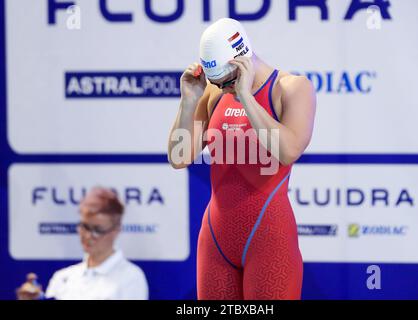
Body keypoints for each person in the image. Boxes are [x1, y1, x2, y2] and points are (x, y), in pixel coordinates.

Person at [168, 17, 316, 300]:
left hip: (269, 239)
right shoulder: (213, 92)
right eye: (218, 82)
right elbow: (178, 157)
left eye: (229, 81)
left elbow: (289, 151)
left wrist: (246, 97)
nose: (225, 89)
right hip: (216, 239)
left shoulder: (292, 88)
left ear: (243, 58)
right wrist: (188, 102)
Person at [16, 187, 149, 300]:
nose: (87, 236)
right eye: (85, 227)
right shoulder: (63, 277)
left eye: (98, 230)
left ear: (116, 230)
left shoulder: (131, 278)